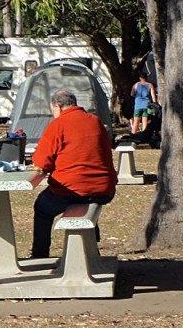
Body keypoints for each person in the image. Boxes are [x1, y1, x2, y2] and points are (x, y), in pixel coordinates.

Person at [29, 89, 117, 259]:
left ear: (58, 107)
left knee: (42, 207)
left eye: (52, 110)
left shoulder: (58, 125)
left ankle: (39, 255)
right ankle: (92, 245)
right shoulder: (95, 121)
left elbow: (42, 162)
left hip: (71, 190)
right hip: (104, 189)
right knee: (86, 203)